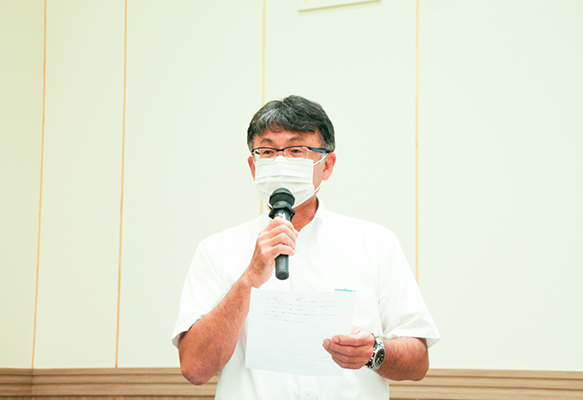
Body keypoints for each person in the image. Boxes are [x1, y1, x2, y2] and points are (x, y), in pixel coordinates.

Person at [172, 95, 440, 399]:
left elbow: (418, 362)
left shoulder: (377, 244)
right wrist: (249, 279)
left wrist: (374, 351)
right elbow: (194, 368)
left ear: (327, 165)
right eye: (267, 151)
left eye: (296, 150)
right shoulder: (217, 250)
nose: (281, 162)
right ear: (253, 166)